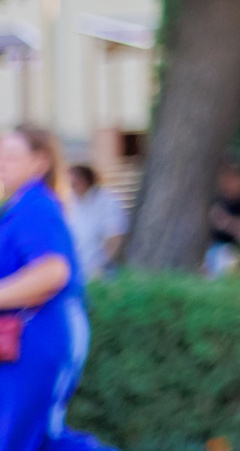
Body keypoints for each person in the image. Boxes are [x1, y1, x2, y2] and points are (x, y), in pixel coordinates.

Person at [0, 127, 102, 451]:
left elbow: (53, 272)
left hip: (36, 334)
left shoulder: (34, 207)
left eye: (11, 156)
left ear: (40, 162)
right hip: (40, 333)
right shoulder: (26, 206)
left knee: (16, 439)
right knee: (44, 440)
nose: (2, 163)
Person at [56, 171, 119, 286]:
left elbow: (114, 235)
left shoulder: (105, 200)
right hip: (73, 271)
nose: (74, 185)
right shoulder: (68, 200)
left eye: (77, 181)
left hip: (97, 270)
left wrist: (104, 264)